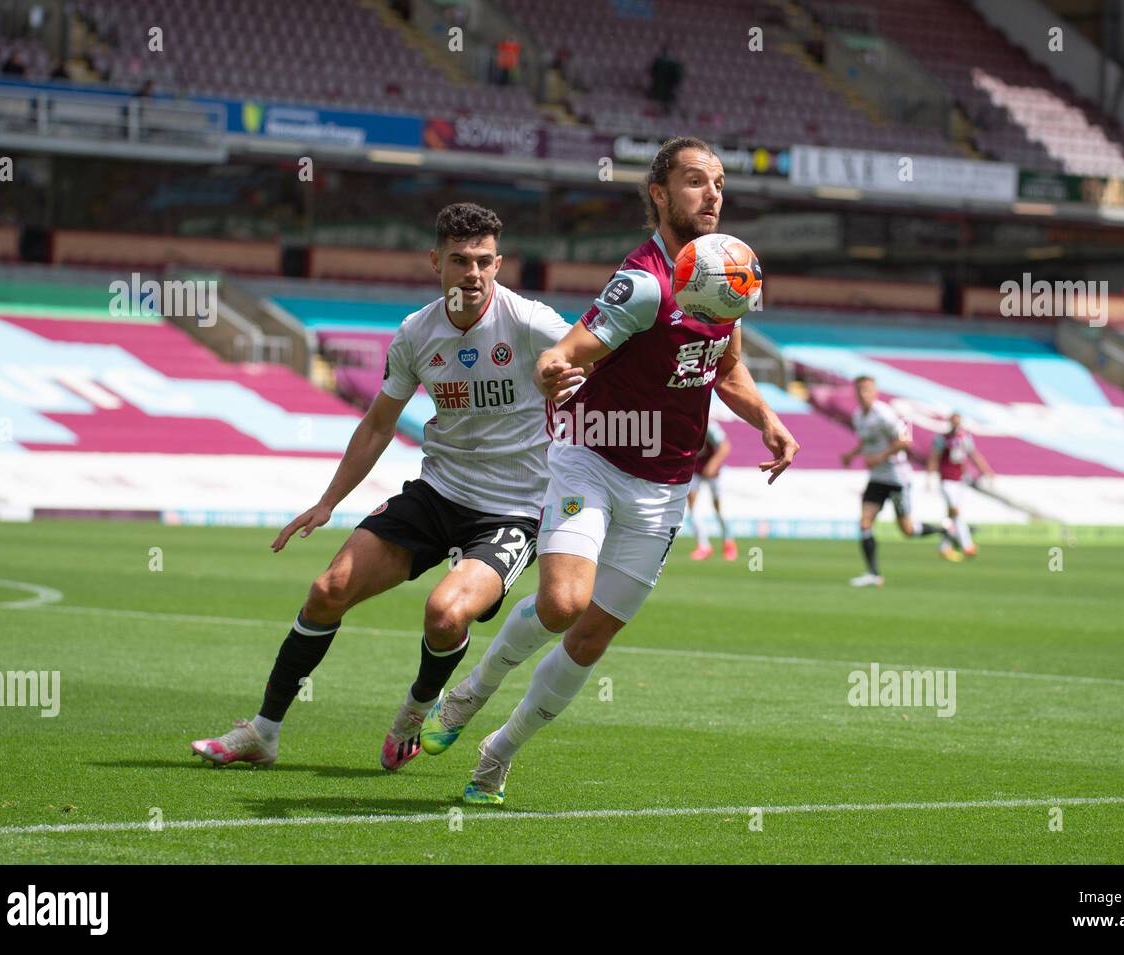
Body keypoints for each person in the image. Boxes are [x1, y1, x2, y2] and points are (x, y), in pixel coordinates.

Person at [420, 136, 799, 804]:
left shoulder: (728, 268)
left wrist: (765, 417)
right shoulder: (645, 282)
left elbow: (727, 364)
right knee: (564, 602)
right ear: (658, 193)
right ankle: (469, 692)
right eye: (693, 181)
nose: (711, 193)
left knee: (591, 639)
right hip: (591, 457)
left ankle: (497, 753)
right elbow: (567, 351)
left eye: (717, 182)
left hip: (665, 487)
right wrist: (551, 368)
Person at [191, 203, 570, 771]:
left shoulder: (531, 323)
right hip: (437, 493)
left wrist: (571, 375)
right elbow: (376, 425)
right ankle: (263, 732)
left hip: (512, 511)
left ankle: (417, 708)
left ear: (499, 263)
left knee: (445, 614)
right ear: (435, 261)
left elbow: (595, 363)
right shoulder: (417, 334)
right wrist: (327, 503)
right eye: (461, 260)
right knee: (327, 590)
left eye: (485, 261)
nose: (473, 273)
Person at [841, 375, 956, 586]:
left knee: (907, 530)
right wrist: (851, 454)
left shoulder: (884, 414)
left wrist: (879, 457)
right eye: (859, 390)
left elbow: (905, 440)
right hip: (877, 477)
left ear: (875, 393)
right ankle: (873, 574)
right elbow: (867, 440)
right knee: (865, 522)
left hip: (896, 476)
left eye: (867, 390)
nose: (863, 394)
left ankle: (945, 530)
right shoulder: (859, 416)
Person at [926, 412, 994, 558]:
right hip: (946, 480)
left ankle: (944, 547)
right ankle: (967, 545)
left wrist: (986, 470)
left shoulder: (965, 438)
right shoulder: (942, 438)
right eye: (954, 421)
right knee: (956, 512)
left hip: (960, 481)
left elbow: (973, 455)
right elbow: (934, 457)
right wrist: (930, 476)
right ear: (950, 421)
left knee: (952, 514)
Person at [687, 419, 735, 560]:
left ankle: (728, 542)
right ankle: (704, 546)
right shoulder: (683, 422)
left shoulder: (709, 425)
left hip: (713, 470)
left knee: (718, 507)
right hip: (695, 469)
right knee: (692, 506)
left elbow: (725, 446)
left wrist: (713, 464)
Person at [648, 45, 684, 114]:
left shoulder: (659, 60)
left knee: (662, 97)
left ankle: (663, 109)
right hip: (667, 83)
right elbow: (678, 74)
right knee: (666, 97)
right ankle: (665, 109)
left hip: (662, 83)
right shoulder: (673, 62)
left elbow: (652, 71)